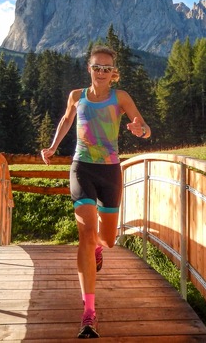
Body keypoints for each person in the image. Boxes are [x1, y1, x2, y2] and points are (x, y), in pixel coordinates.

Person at [41, 45, 151, 339]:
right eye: (96, 67)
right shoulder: (76, 97)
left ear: (113, 74)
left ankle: (100, 247)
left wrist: (139, 130)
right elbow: (66, 120)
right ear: (88, 69)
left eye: (107, 68)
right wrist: (53, 147)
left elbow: (144, 128)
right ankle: (89, 312)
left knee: (108, 239)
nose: (101, 72)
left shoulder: (121, 97)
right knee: (86, 236)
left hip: (110, 172)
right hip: (81, 168)